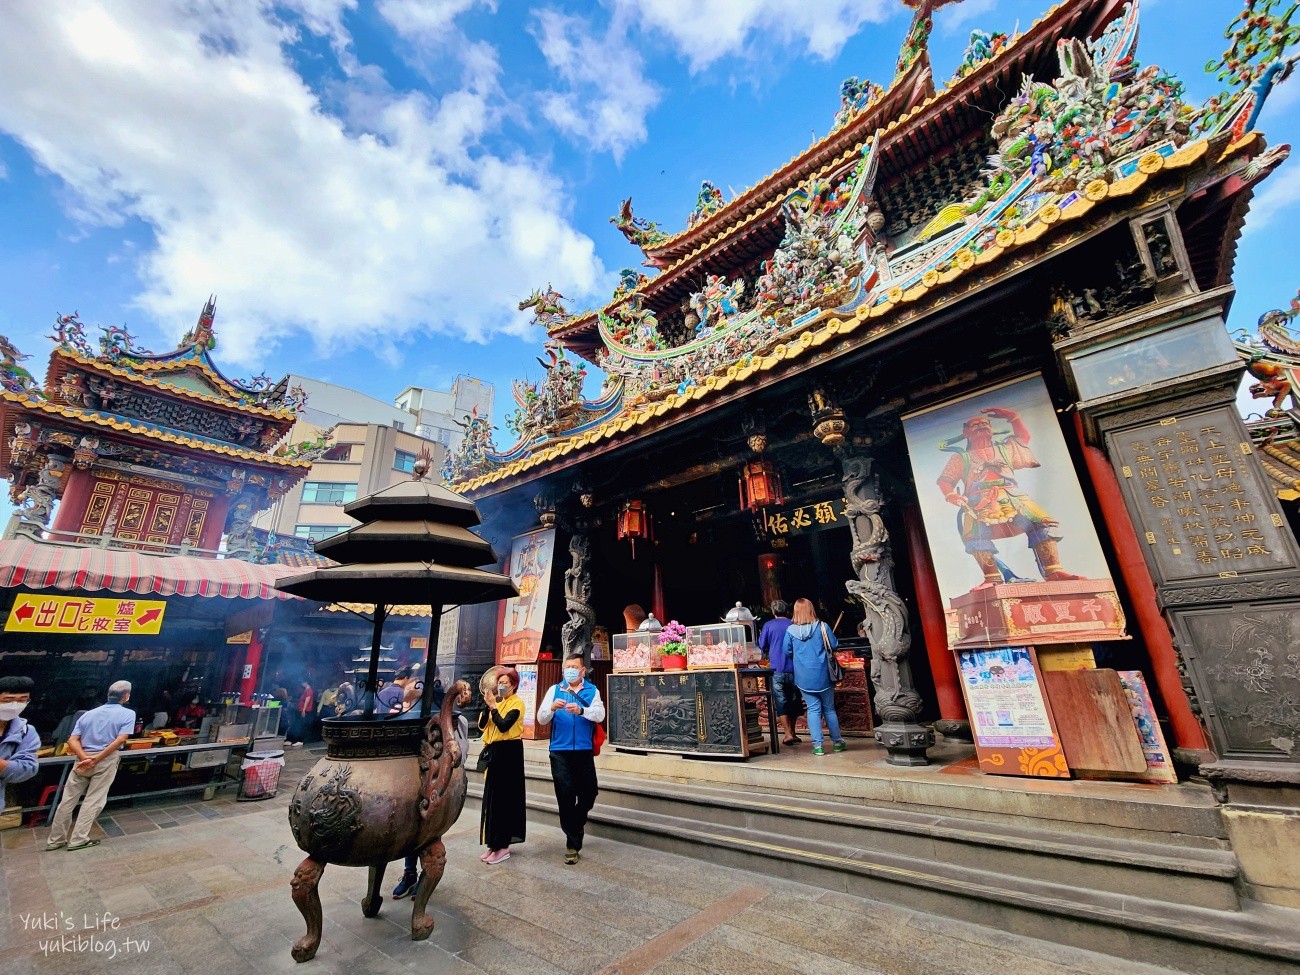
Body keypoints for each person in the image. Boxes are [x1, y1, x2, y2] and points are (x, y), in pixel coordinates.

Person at [936, 406, 1082, 589]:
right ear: (965, 432)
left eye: (984, 424)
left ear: (991, 428)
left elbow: (1023, 439)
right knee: (974, 534)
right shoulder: (961, 458)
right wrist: (951, 495)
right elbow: (945, 480)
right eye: (975, 425)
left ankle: (1053, 571)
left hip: (1012, 495)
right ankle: (992, 578)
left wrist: (1014, 417)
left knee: (1042, 522)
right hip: (979, 500)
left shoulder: (1005, 449)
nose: (981, 427)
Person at [47, 680, 135, 851]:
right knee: (93, 800)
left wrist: (84, 757)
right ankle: (78, 839)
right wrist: (95, 759)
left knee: (67, 801)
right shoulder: (128, 714)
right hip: (105, 760)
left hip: (82, 759)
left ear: (108, 695)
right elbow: (121, 739)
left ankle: (55, 839)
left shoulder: (88, 714)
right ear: (126, 696)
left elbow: (72, 740)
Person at [536, 653, 604, 865]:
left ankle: (575, 823)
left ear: (583, 670)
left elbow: (600, 715)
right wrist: (551, 708)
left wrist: (582, 710)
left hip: (583, 750)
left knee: (589, 792)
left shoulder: (592, 691)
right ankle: (572, 843)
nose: (570, 670)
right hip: (559, 750)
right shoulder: (554, 690)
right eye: (567, 667)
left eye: (575, 667)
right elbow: (541, 718)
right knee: (565, 795)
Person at [782, 599, 845, 757]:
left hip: (803, 676)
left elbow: (787, 651)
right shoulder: (822, 626)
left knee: (813, 709)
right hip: (823, 673)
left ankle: (818, 746)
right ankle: (837, 742)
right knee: (829, 709)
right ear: (811, 609)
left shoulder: (790, 631)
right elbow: (834, 644)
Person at [478, 668, 526, 866]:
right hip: (494, 752)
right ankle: (493, 843)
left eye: (505, 683)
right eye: (500, 682)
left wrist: (494, 708)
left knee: (505, 800)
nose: (501, 686)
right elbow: (483, 724)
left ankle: (504, 845)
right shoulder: (497, 703)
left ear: (513, 685)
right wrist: (487, 706)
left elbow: (504, 725)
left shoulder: (517, 704)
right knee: (492, 800)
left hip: (509, 753)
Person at [758, 600, 800, 746]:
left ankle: (787, 733)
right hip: (795, 668)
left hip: (776, 669)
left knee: (781, 701)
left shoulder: (769, 625)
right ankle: (793, 732)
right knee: (794, 699)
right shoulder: (793, 624)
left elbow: (762, 645)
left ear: (773, 611)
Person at [0, 675, 41, 786]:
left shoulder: (26, 732)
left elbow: (27, 769)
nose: (14, 705)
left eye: (22, 700)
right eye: (8, 700)